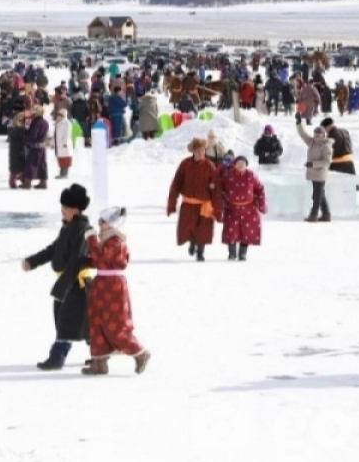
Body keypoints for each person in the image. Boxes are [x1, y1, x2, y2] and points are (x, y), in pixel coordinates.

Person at [22, 184, 92, 371]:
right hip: (67, 282)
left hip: (76, 284)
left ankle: (57, 357)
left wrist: (63, 286)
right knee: (83, 323)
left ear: (75, 209)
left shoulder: (83, 230)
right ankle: (99, 353)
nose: (62, 211)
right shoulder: (68, 228)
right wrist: (33, 261)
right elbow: (54, 249)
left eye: (65, 208)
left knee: (68, 321)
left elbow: (77, 261)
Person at [81, 206, 150, 376]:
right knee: (96, 321)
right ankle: (99, 362)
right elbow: (96, 260)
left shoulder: (116, 242)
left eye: (102, 222)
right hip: (101, 283)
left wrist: (90, 240)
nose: (99, 224)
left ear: (111, 224)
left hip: (113, 286)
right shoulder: (104, 240)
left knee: (114, 325)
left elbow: (101, 257)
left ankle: (139, 352)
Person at [166, 137, 218, 262]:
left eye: (203, 151)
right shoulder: (185, 164)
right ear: (193, 151)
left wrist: (214, 190)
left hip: (205, 204)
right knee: (188, 227)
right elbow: (176, 184)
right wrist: (172, 204)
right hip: (189, 203)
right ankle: (193, 243)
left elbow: (217, 185)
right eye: (198, 151)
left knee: (204, 230)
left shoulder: (209, 165)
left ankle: (200, 252)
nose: (201, 153)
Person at [219, 156, 266, 260]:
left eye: (243, 164)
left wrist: (262, 204)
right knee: (231, 232)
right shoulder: (228, 176)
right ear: (234, 165)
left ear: (246, 165)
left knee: (247, 231)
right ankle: (232, 253)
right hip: (232, 208)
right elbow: (220, 188)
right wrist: (219, 204)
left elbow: (260, 188)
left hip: (249, 209)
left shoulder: (251, 175)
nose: (240, 165)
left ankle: (242, 253)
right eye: (238, 163)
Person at [296, 122, 334, 223]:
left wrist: (313, 164)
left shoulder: (326, 145)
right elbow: (302, 134)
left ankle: (313, 215)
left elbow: (327, 161)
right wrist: (299, 123)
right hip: (313, 174)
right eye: (315, 133)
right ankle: (326, 214)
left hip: (320, 174)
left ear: (323, 134)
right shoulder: (312, 142)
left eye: (319, 133)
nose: (316, 135)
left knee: (316, 196)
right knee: (320, 194)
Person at [23, 105, 50, 190]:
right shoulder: (45, 122)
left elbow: (33, 135)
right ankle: (43, 182)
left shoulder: (35, 122)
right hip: (42, 145)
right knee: (42, 164)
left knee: (31, 164)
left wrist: (25, 136)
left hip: (35, 146)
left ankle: (27, 182)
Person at [52, 108, 74, 180]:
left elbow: (67, 134)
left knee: (65, 159)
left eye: (60, 115)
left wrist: (65, 143)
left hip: (64, 145)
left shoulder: (67, 123)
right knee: (61, 159)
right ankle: (61, 173)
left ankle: (64, 174)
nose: (58, 116)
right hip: (59, 144)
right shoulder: (58, 123)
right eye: (58, 115)